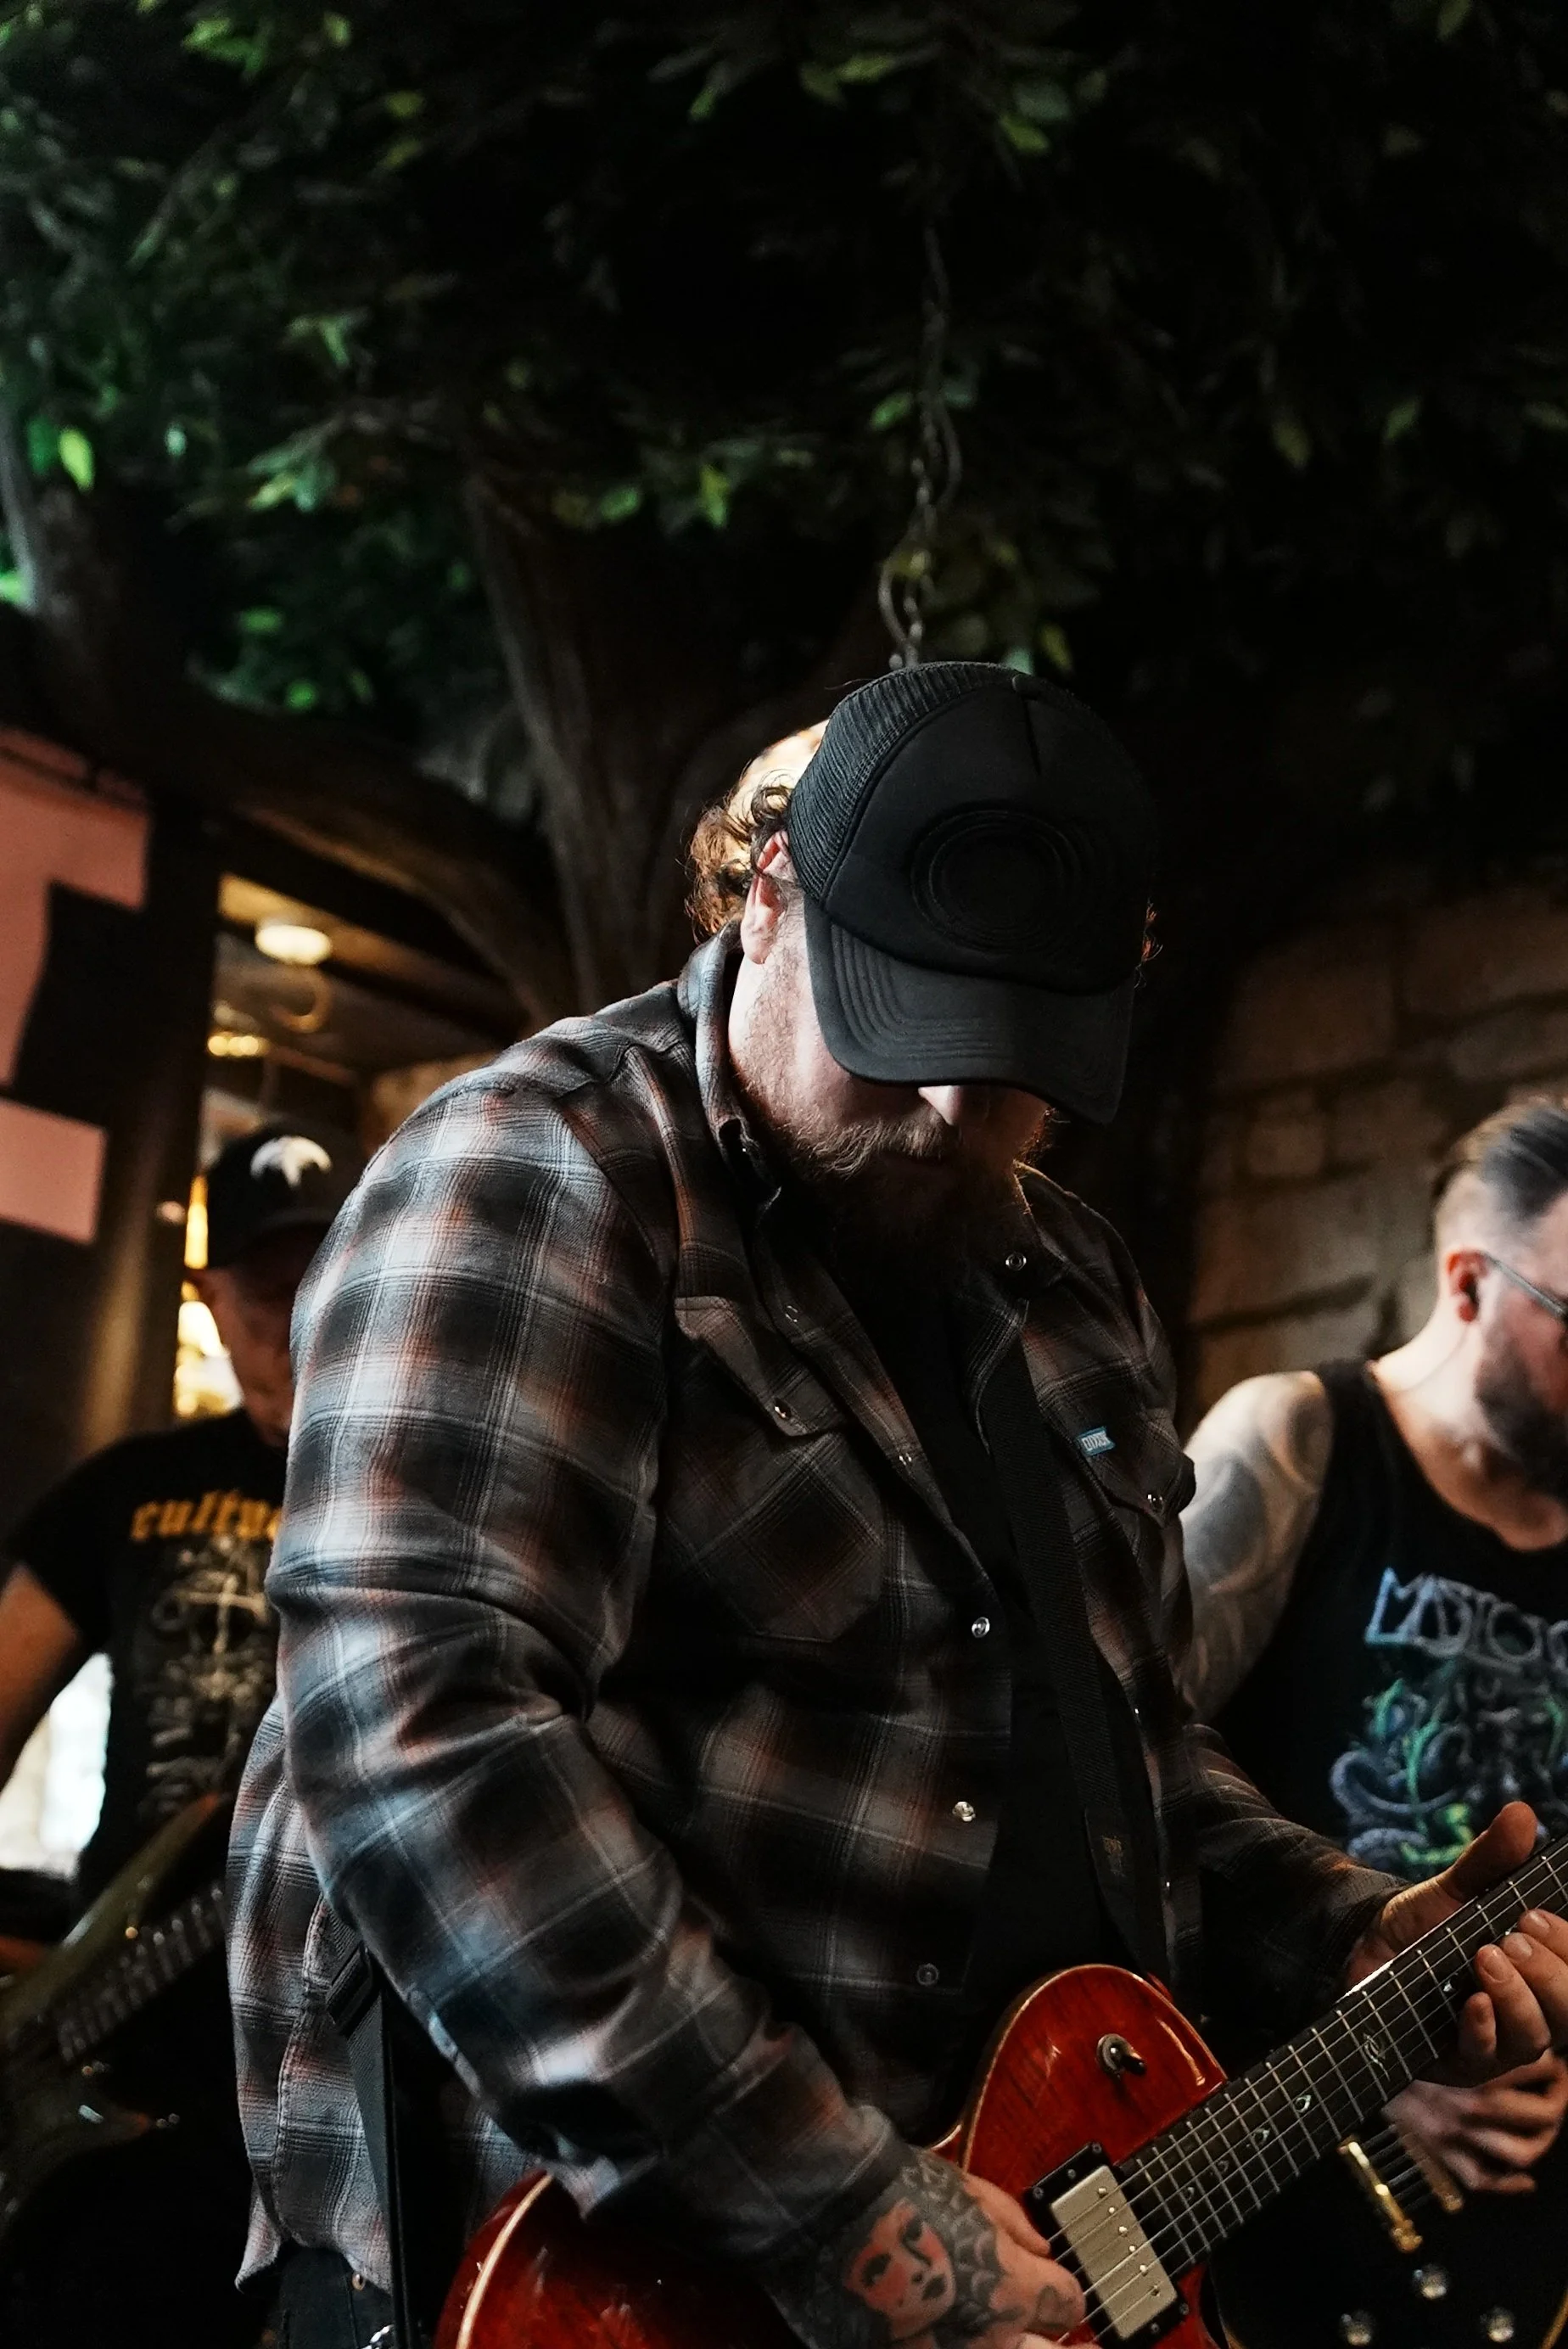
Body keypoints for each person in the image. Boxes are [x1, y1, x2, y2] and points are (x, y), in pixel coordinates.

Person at [227, 664, 1568, 2349]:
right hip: (591, 2280)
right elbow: (424, 1738)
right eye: (904, 1026)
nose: (953, 1111)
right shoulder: (543, 1179)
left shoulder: (1069, 1289)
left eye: (1018, 1065)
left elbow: (1126, 1763)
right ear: (772, 899)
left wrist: (1346, 1931)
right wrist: (833, 2199)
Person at [1181, 1098, 1568, 2348]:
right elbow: (1112, 1802)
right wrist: (1368, 2069)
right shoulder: (1296, 1445)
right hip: (1268, 2195)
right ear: (1467, 1284)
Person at [0, 1120, 361, 2349]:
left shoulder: (397, 1491)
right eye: (268, 1292)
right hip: (118, 2044)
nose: (299, 1317)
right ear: (211, 1299)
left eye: (326, 1274)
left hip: (326, 2049)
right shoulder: (127, 1489)